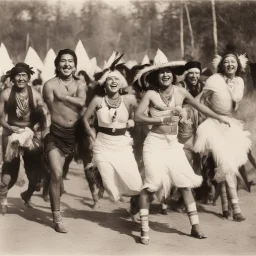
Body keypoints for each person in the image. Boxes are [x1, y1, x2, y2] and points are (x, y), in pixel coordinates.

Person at [134, 49, 231, 245]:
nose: (165, 74)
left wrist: (219, 117)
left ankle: (195, 226)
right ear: (155, 75)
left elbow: (199, 106)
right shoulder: (151, 94)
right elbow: (137, 116)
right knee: (151, 185)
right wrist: (160, 118)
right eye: (161, 72)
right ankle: (144, 230)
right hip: (154, 144)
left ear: (173, 73)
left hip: (173, 145)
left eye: (168, 71)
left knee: (185, 184)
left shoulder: (180, 92)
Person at [83, 53, 143, 219]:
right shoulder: (97, 100)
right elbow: (85, 119)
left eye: (117, 79)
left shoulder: (129, 99)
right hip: (103, 143)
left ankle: (135, 211)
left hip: (123, 144)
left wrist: (132, 121)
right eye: (110, 79)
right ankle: (96, 171)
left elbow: (140, 115)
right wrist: (91, 134)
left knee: (136, 185)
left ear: (121, 82)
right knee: (111, 188)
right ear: (104, 82)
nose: (114, 82)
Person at [194, 51, 251, 221]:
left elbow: (236, 98)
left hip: (230, 125)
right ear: (221, 65)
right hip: (213, 126)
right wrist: (195, 112)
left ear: (238, 65)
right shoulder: (214, 79)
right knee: (225, 164)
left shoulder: (239, 81)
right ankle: (236, 208)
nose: (230, 65)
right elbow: (200, 99)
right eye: (226, 62)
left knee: (228, 165)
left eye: (233, 62)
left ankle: (225, 206)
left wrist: (230, 86)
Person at [43, 49, 86, 233]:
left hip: (74, 134)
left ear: (75, 65)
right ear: (57, 64)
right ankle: (57, 218)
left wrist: (65, 97)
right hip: (55, 133)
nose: (67, 64)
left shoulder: (80, 83)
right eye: (63, 61)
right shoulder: (49, 85)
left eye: (70, 61)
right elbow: (47, 109)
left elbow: (82, 102)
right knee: (57, 173)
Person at [0, 62, 47, 214]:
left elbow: (43, 117)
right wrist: (8, 127)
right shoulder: (6, 94)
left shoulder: (36, 95)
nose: (21, 78)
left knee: (35, 175)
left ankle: (27, 195)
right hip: (10, 133)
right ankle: (3, 200)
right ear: (13, 78)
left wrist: (39, 127)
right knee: (9, 171)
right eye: (18, 75)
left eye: (23, 75)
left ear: (28, 77)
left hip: (29, 134)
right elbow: (0, 118)